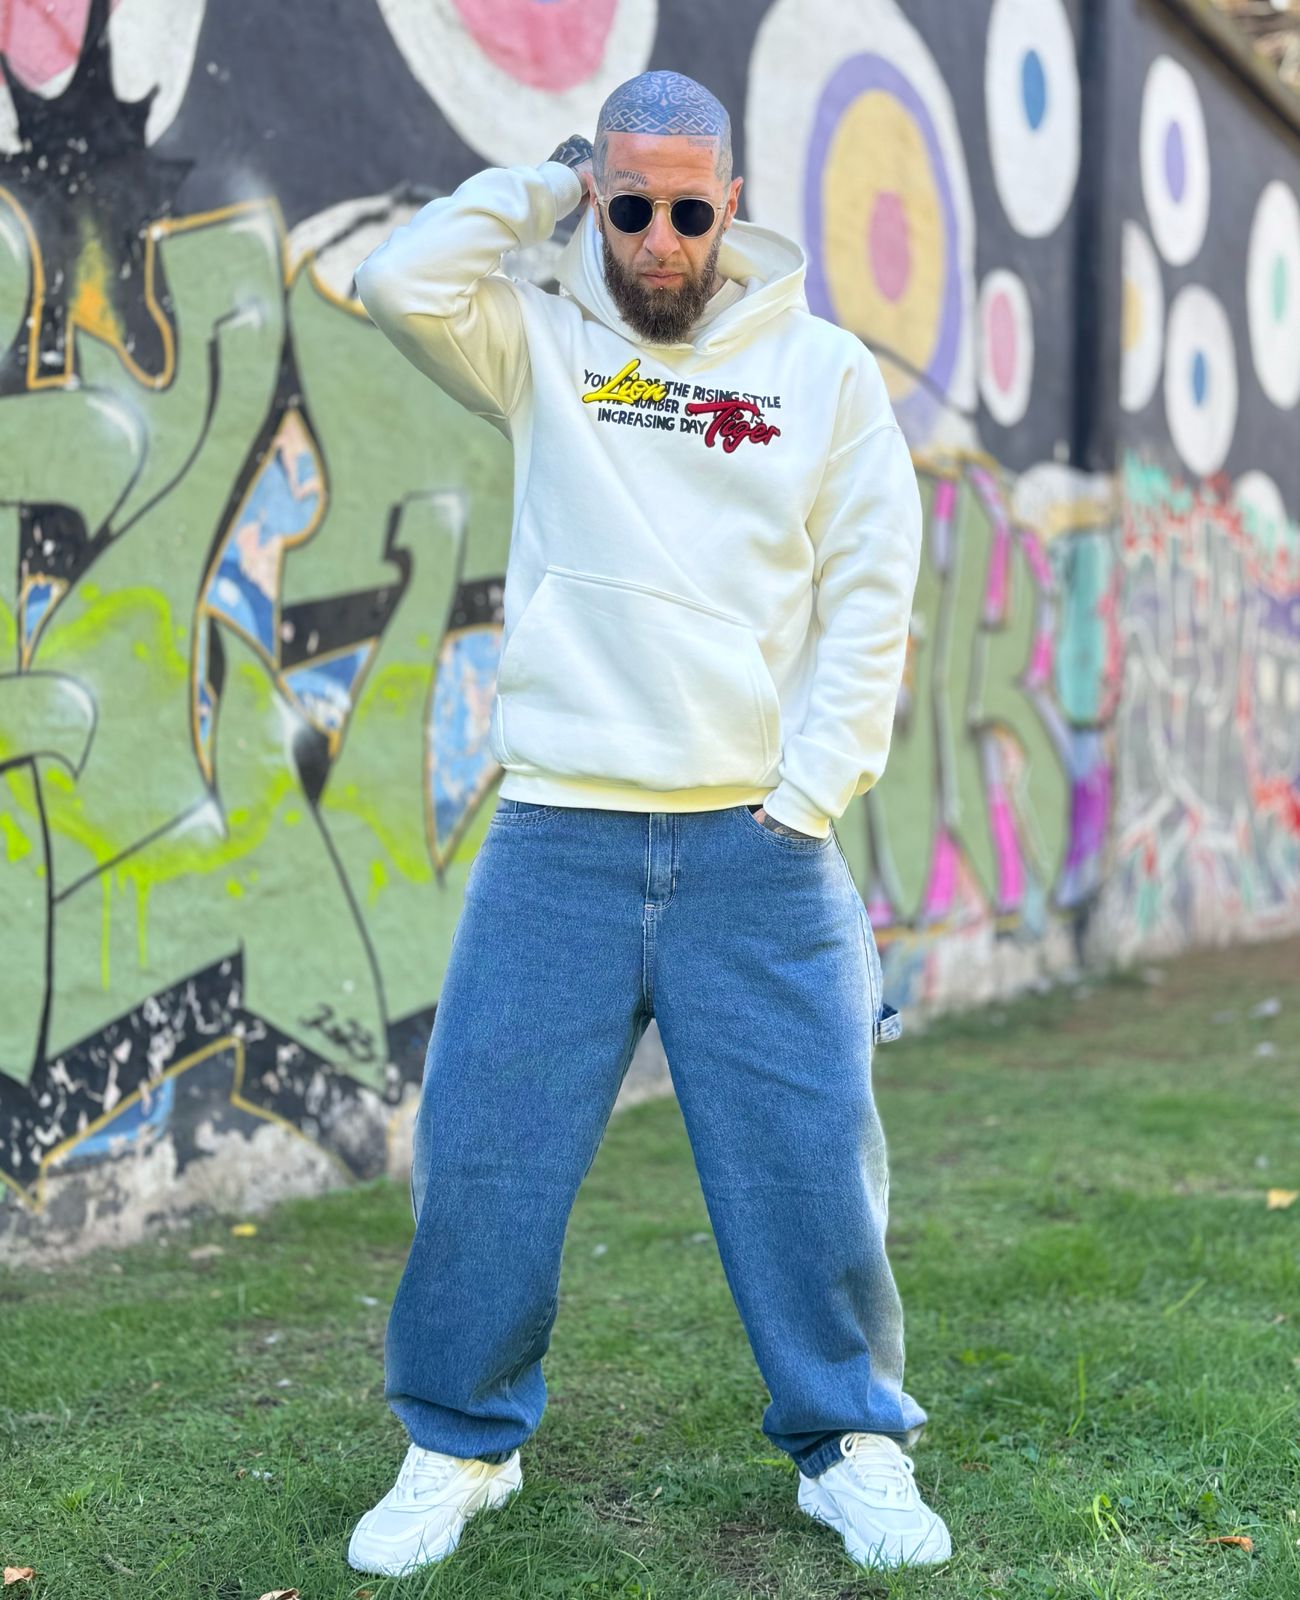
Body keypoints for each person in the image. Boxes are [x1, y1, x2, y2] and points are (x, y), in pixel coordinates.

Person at [346, 69, 949, 1577]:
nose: (661, 241)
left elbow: (873, 593)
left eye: (689, 210)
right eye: (629, 207)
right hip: (559, 832)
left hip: (760, 842)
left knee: (812, 1169)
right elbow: (397, 279)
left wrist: (808, 796)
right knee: (483, 1159)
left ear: (733, 202)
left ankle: (850, 1441)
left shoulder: (824, 373)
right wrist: (540, 193)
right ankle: (459, 1443)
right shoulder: (540, 339)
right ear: (597, 197)